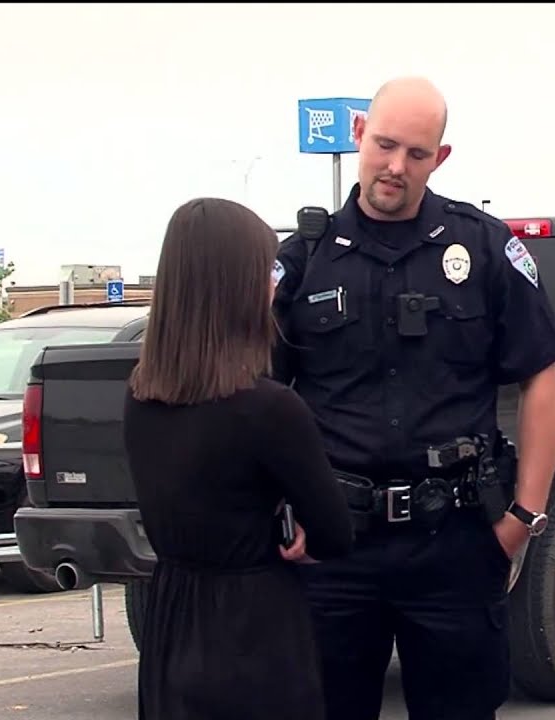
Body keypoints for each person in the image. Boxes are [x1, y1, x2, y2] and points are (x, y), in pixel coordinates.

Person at [270, 76, 555, 720]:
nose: (395, 167)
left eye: (416, 153)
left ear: (441, 157)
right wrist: (279, 506)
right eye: (384, 145)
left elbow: (541, 378)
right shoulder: (304, 260)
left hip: (457, 539)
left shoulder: (484, 248)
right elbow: (260, 397)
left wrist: (524, 519)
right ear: (358, 135)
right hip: (335, 544)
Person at [124, 197, 356, 720]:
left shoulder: (140, 395)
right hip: (255, 626)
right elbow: (335, 532)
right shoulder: (268, 407)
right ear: (236, 285)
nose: (273, 284)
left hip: (171, 616)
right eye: (265, 271)